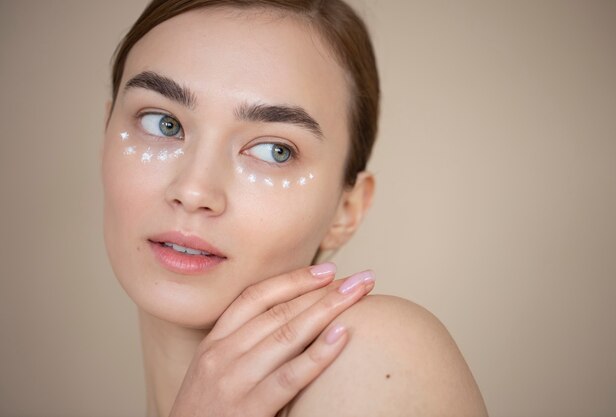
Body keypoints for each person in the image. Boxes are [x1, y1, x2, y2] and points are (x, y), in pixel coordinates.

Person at [102, 0, 488, 416]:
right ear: (104, 134)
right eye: (163, 123)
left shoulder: (374, 353)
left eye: (275, 151)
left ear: (347, 209)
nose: (194, 191)